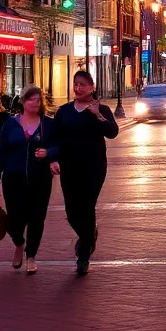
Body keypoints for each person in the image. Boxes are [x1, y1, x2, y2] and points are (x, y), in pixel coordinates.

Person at [52, 70, 119, 276]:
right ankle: (89, 235)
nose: (78, 88)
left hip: (94, 166)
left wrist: (98, 115)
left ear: (92, 87)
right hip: (69, 166)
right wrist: (53, 158)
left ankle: (83, 255)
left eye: (82, 84)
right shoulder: (63, 111)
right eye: (75, 84)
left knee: (87, 206)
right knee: (72, 212)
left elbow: (112, 133)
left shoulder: (102, 110)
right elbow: (55, 138)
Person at [0, 86, 57, 275]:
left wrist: (49, 153)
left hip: (40, 179)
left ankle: (31, 256)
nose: (35, 102)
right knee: (14, 221)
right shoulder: (11, 124)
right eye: (31, 99)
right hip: (13, 179)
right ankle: (19, 242)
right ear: (23, 102)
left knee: (37, 219)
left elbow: (59, 145)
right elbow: (1, 152)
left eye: (38, 99)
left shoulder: (48, 124)